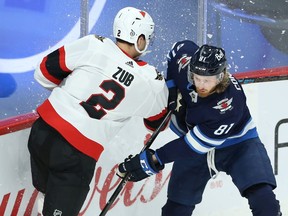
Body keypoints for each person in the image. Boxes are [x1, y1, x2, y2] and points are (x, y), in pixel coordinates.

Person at [27, 7, 168, 216]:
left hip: (41, 134)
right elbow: (157, 123)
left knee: (46, 193)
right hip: (75, 155)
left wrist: (74, 90)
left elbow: (43, 73)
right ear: (139, 37)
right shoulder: (150, 81)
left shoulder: (94, 44)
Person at [117, 40, 282, 216]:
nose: (201, 85)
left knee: (264, 201)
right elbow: (177, 49)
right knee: (176, 210)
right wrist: (172, 88)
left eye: (207, 80)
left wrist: (154, 160)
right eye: (197, 78)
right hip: (195, 145)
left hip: (238, 144)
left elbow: (191, 145)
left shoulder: (228, 104)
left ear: (221, 76)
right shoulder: (186, 63)